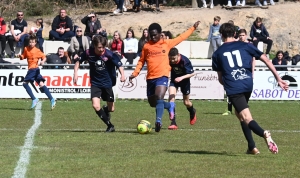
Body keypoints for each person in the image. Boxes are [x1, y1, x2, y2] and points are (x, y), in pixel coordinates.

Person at [212, 23, 289, 154]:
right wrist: (278, 78)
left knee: (246, 117)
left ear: (221, 35)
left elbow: (220, 78)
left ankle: (264, 133)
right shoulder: (246, 45)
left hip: (234, 87)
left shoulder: (217, 53)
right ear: (235, 34)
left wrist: (229, 85)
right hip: (248, 84)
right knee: (240, 114)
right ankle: (251, 147)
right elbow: (266, 59)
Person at [129, 21, 200, 132]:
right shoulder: (146, 47)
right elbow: (141, 61)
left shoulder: (166, 43)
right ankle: (169, 106)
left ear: (160, 33)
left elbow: (181, 37)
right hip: (150, 78)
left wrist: (193, 28)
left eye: (155, 34)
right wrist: (135, 73)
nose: (153, 37)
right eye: (151, 35)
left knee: (159, 97)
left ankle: (158, 121)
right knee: (153, 103)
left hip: (162, 76)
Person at [73, 35, 126, 132]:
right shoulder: (89, 53)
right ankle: (110, 126)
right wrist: (75, 73)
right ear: (94, 46)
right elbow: (78, 62)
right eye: (99, 47)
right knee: (96, 105)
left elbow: (120, 65)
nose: (101, 49)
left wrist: (123, 75)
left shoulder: (109, 54)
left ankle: (106, 109)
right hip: (95, 83)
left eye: (103, 47)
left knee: (112, 109)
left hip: (107, 83)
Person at [17, 34, 56, 110]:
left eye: (33, 42)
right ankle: (52, 99)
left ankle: (34, 99)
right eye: (30, 42)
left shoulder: (37, 51)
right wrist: (20, 56)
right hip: (34, 70)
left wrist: (43, 61)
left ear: (35, 43)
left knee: (25, 84)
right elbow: (23, 56)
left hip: (33, 69)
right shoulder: (26, 49)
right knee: (41, 84)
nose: (31, 43)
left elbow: (44, 57)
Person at [167, 48, 197, 130]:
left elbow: (192, 73)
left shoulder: (185, 60)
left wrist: (181, 78)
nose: (172, 60)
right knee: (171, 99)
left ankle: (192, 111)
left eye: (174, 58)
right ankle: (173, 123)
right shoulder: (168, 60)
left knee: (186, 102)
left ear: (178, 55)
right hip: (174, 81)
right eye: (171, 58)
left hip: (184, 81)